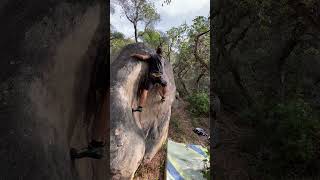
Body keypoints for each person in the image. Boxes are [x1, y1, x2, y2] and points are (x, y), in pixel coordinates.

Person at [131, 46, 168, 112]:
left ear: (156, 51)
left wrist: (134, 54)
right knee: (165, 84)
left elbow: (143, 57)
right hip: (160, 76)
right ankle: (163, 97)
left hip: (152, 76)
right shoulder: (163, 59)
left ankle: (140, 107)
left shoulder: (153, 55)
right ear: (161, 53)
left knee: (145, 90)